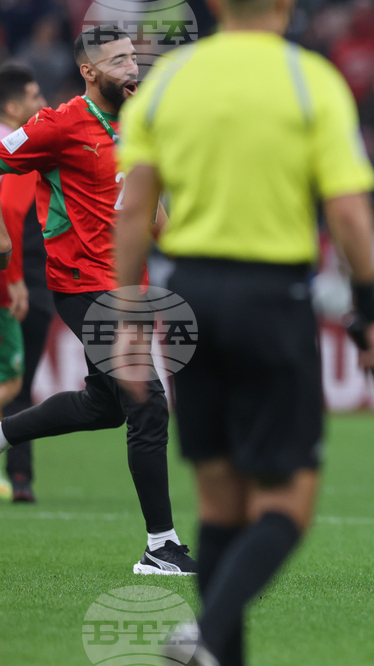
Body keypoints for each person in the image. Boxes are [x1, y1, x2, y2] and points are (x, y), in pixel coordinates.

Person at [114, 0, 374, 663]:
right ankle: (205, 635)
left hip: (188, 297)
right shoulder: (310, 79)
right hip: (273, 298)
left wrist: (127, 320)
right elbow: (348, 214)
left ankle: (214, 649)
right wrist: (369, 310)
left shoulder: (168, 80)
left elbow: (132, 210)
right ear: (286, 4)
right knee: (287, 503)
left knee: (218, 504)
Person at [0, 27, 195, 574]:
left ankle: (3, 432)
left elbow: (151, 215)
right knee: (148, 403)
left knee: (104, 406)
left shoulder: (136, 127)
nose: (132, 68)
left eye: (134, 57)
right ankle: (161, 547)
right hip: (83, 284)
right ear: (89, 71)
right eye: (118, 60)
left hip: (128, 289)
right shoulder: (58, 124)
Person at [0, 63, 52, 503]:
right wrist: (15, 279)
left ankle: (19, 477)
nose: (44, 105)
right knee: (17, 383)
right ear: (14, 106)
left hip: (21, 278)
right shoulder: (20, 155)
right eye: (36, 97)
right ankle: (20, 477)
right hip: (21, 281)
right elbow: (12, 218)